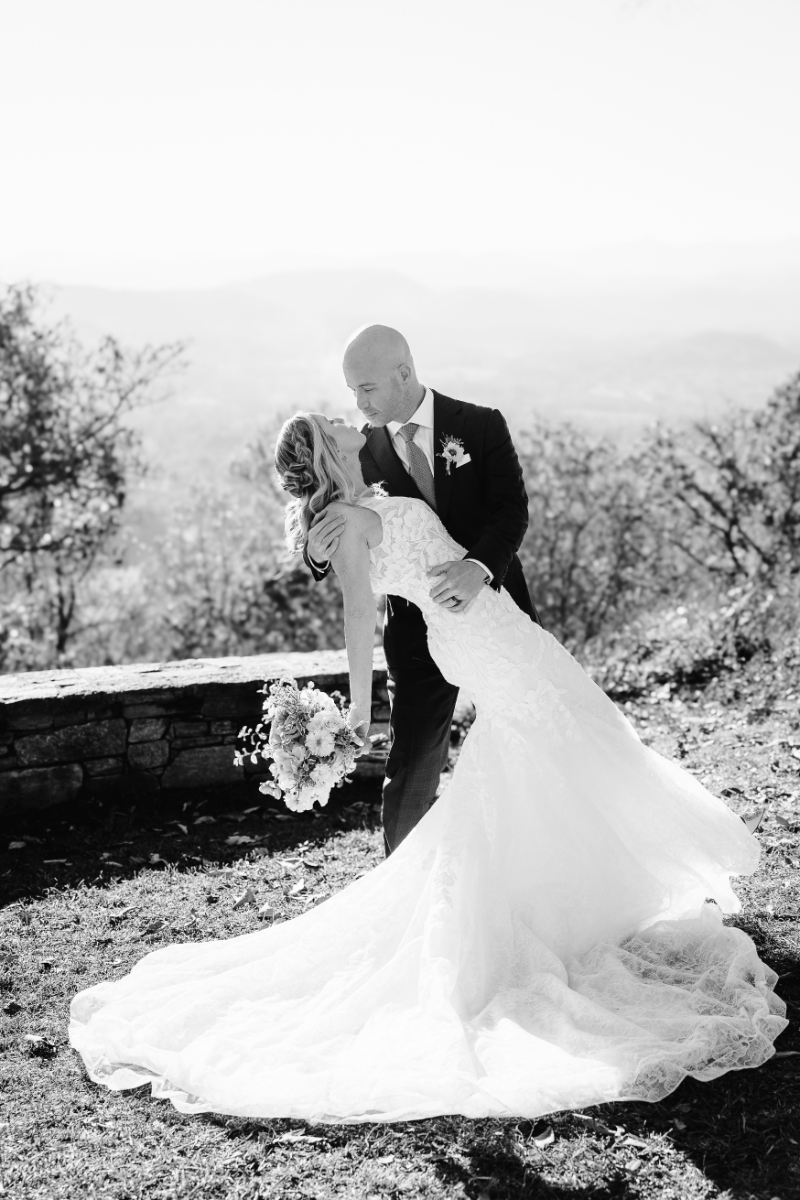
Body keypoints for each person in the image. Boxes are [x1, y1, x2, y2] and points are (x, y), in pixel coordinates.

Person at [69, 412, 786, 1124]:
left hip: (488, 623)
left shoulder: (362, 499)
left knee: (555, 744)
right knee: (552, 740)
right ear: (327, 450)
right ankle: (544, 911)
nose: (347, 415)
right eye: (332, 420)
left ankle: (568, 898)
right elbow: (358, 613)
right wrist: (358, 711)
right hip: (479, 638)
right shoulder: (348, 523)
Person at [305, 325, 539, 854]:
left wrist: (478, 567)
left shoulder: (479, 424)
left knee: (527, 734)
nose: (359, 403)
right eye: (352, 391)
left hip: (494, 609)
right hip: (415, 635)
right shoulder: (357, 449)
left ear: (403, 373)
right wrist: (316, 554)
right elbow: (331, 526)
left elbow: (511, 511)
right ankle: (402, 880)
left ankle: (529, 857)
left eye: (367, 388)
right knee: (412, 765)